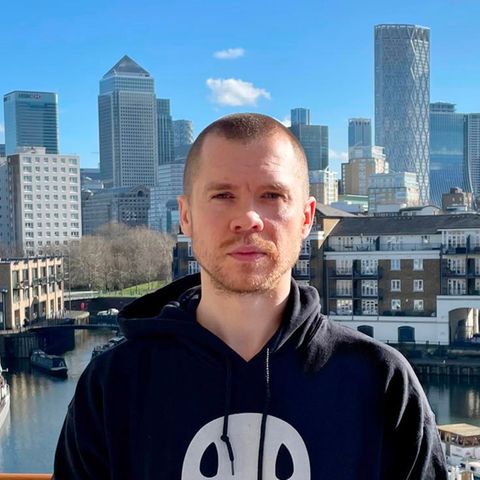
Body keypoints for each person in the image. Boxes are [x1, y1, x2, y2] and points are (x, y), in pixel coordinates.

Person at [53, 113, 447, 479]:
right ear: (186, 216)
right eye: (223, 196)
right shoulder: (113, 385)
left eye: (272, 195)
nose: (248, 218)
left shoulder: (381, 380)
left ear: (306, 217)